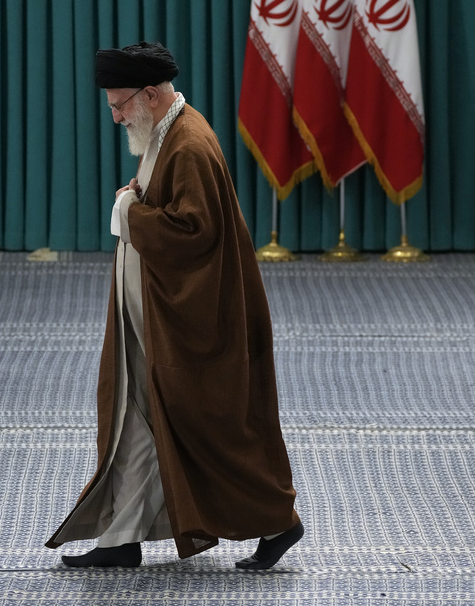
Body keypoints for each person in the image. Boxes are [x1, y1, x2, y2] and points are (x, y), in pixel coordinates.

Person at [46, 41, 303, 570]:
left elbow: (193, 232)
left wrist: (129, 212)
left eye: (120, 105)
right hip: (153, 313)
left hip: (186, 319)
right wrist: (137, 199)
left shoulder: (188, 144)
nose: (116, 117)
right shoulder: (163, 133)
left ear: (151, 93)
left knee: (208, 425)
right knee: (136, 417)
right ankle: (121, 539)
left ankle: (279, 521)